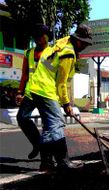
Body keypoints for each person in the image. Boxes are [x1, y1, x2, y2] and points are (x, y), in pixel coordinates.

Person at [28, 24, 92, 171]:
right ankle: (63, 161)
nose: (84, 46)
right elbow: (61, 83)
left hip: (37, 88)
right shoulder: (68, 53)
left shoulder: (62, 44)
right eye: (84, 43)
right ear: (77, 40)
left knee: (49, 126)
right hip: (45, 90)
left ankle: (46, 162)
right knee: (57, 123)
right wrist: (66, 104)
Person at [15, 24, 52, 161]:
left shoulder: (52, 52)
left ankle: (47, 159)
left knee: (47, 126)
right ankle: (37, 144)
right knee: (22, 118)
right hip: (31, 93)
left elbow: (55, 74)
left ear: (48, 36)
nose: (39, 38)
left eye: (42, 35)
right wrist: (20, 91)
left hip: (46, 94)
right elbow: (25, 74)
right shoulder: (29, 53)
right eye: (36, 35)